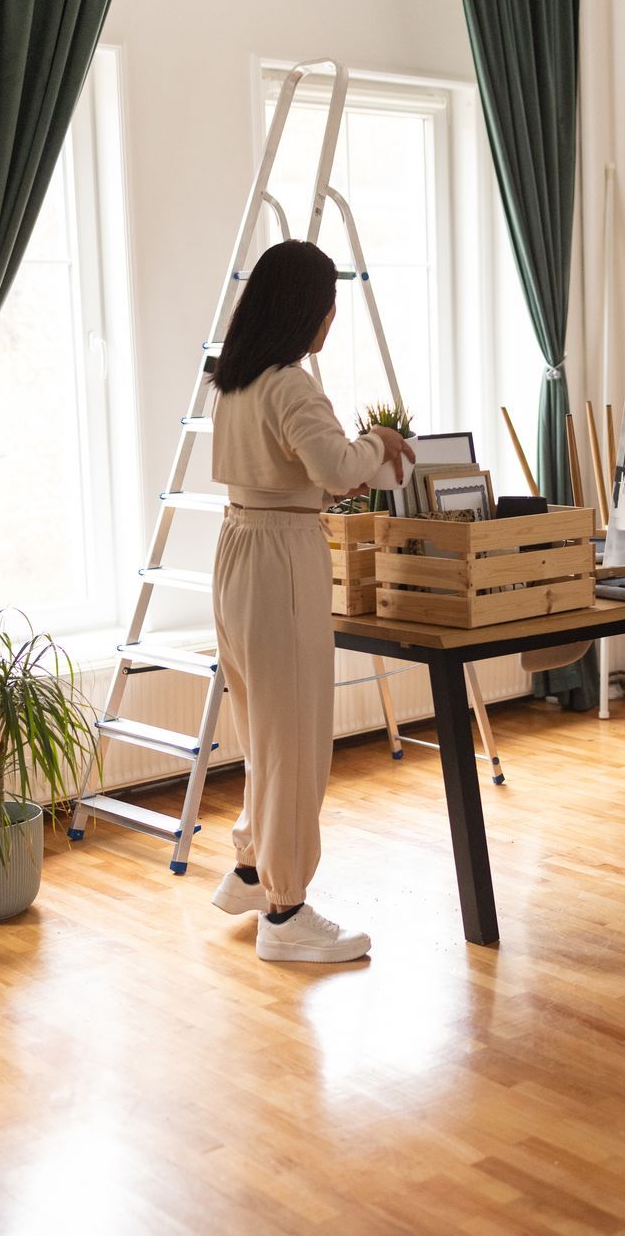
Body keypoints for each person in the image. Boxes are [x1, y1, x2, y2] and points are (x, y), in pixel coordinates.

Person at [204, 239, 411, 962]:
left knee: (262, 721)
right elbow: (332, 465)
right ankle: (286, 913)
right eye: (327, 307)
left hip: (235, 546)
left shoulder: (231, 379)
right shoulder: (290, 383)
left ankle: (253, 866)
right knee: (294, 737)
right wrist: (377, 446)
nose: (329, 321)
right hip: (282, 555)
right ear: (306, 310)